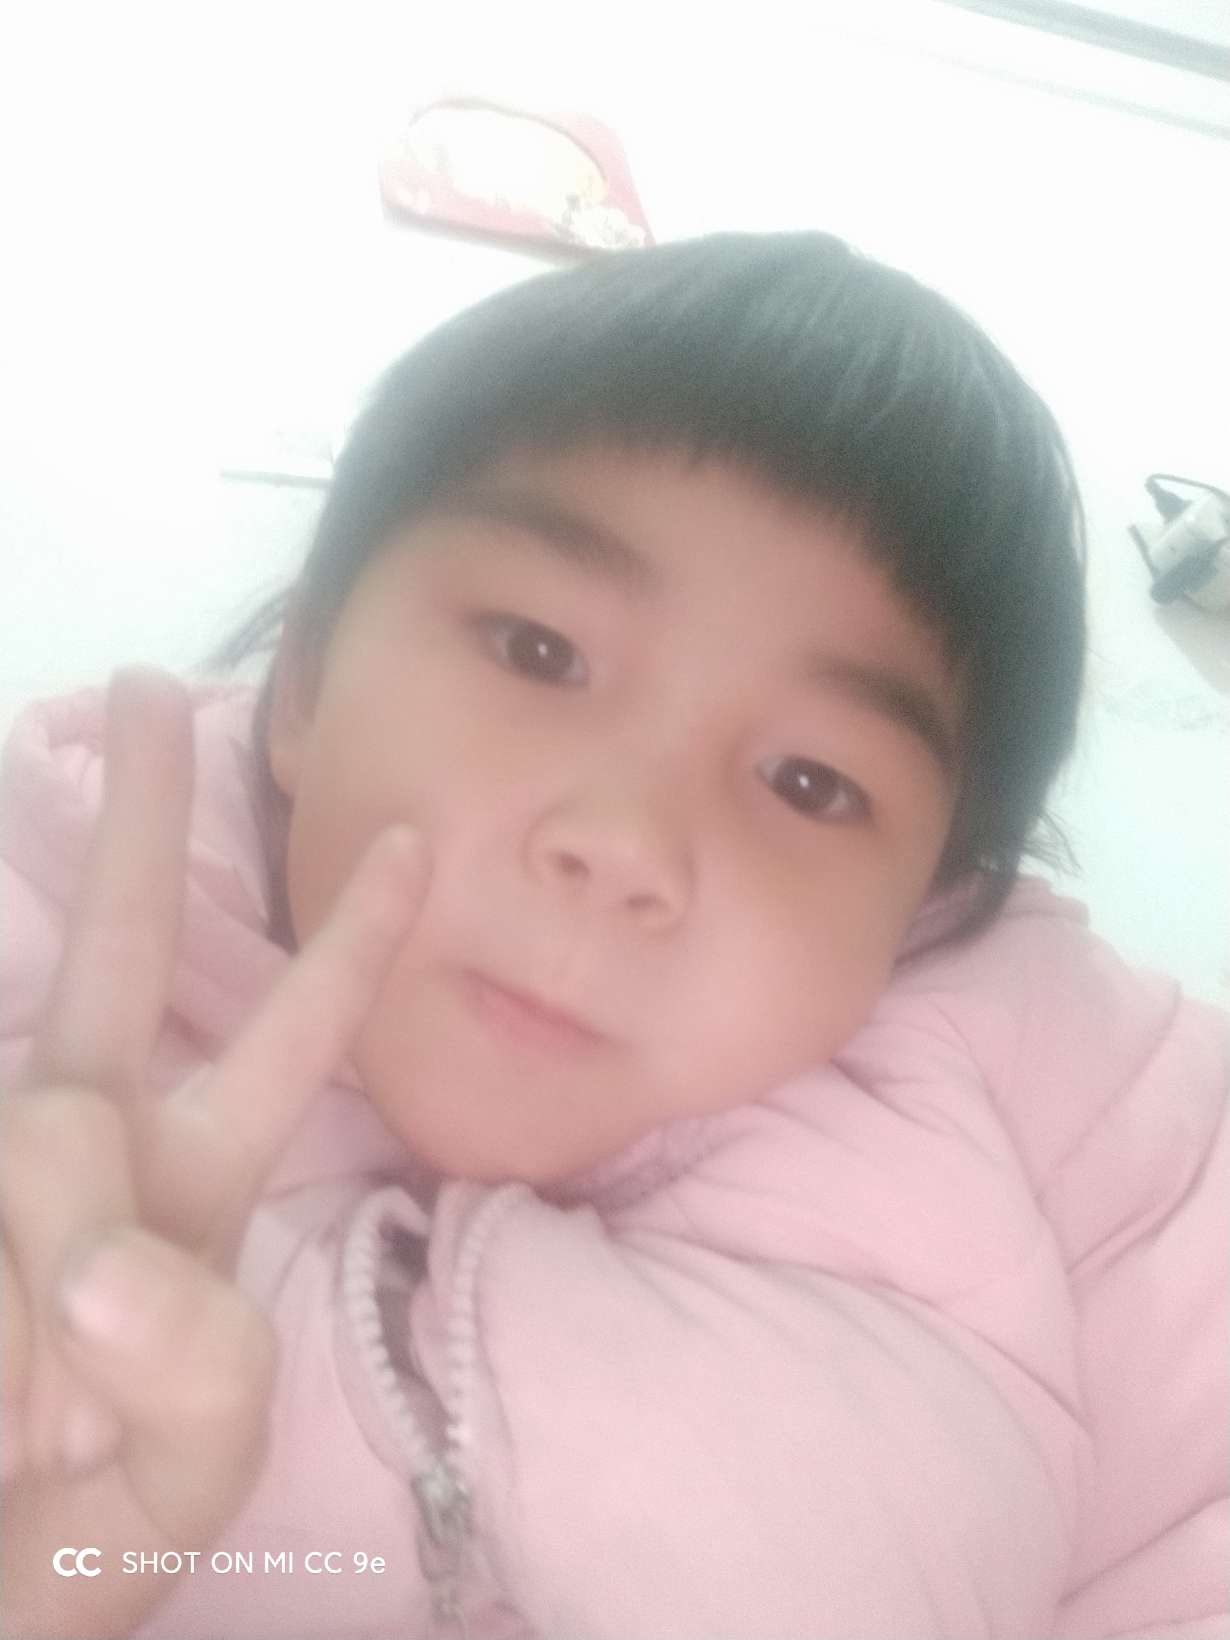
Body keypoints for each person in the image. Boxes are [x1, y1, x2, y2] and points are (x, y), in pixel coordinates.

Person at [1, 232, 1225, 1640]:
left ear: (923, 905)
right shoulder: (45, 954)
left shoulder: (1051, 1092)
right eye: (540, 652)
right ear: (309, 681)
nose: (626, 844)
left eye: (808, 783)